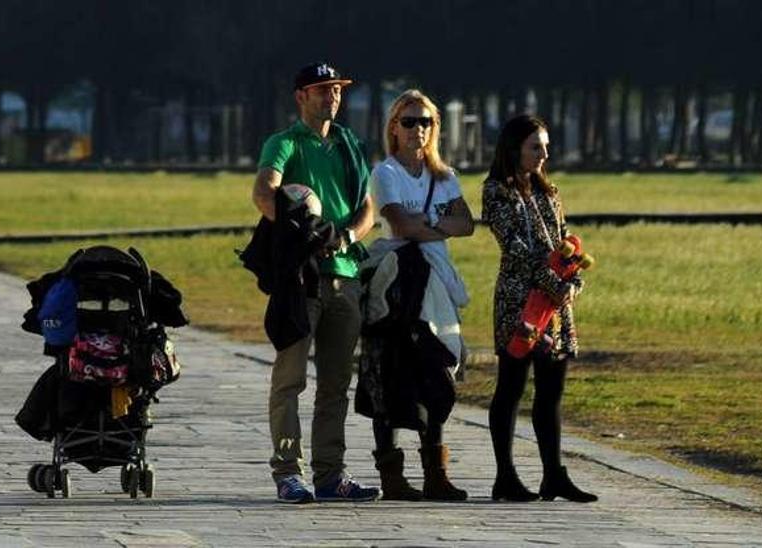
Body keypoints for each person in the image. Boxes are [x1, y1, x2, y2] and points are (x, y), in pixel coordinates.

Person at [250, 62, 380, 504]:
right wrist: (299, 229)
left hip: (345, 277)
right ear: (301, 96)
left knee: (335, 385)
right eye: (322, 90)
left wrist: (345, 235)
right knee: (289, 380)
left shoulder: (349, 144)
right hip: (301, 279)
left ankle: (331, 475)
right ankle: (288, 472)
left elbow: (366, 208)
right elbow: (264, 193)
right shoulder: (284, 143)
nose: (332, 97)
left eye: (338, 90)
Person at [360, 90, 474, 501]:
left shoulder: (445, 177)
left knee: (436, 368)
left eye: (425, 122)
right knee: (388, 372)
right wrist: (437, 224)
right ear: (394, 127)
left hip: (435, 285)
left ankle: (435, 473)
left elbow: (468, 224)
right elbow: (399, 226)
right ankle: (392, 475)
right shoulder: (385, 172)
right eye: (409, 121)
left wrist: (425, 222)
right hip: (396, 284)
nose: (417, 130)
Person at [482, 114, 597, 503]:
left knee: (551, 391)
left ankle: (554, 475)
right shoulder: (497, 191)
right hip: (519, 305)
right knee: (511, 387)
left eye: (546, 147)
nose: (544, 155)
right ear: (514, 149)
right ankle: (505, 477)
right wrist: (555, 283)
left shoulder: (550, 192)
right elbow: (515, 248)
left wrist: (573, 281)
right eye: (536, 147)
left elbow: (565, 242)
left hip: (556, 305)